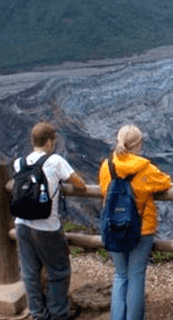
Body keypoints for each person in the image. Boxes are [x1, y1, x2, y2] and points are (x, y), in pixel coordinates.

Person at [14, 121, 87, 320]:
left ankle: (38, 314)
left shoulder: (19, 162)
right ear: (49, 142)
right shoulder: (55, 161)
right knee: (59, 271)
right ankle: (58, 313)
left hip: (21, 224)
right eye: (53, 141)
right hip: (47, 227)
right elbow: (80, 184)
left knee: (30, 272)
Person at [98, 124, 172, 320]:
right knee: (136, 275)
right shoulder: (144, 167)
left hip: (113, 226)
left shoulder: (107, 166)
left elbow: (103, 188)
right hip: (141, 228)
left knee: (120, 275)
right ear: (138, 144)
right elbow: (165, 182)